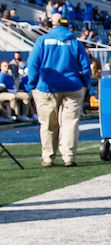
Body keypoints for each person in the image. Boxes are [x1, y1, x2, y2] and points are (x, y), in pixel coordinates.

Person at [24, 15, 91, 166]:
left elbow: (33, 64)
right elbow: (86, 66)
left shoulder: (42, 41)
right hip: (73, 87)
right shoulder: (74, 41)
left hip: (47, 87)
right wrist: (85, 84)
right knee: (70, 123)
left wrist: (32, 85)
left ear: (50, 24)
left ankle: (48, 157)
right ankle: (69, 157)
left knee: (48, 124)